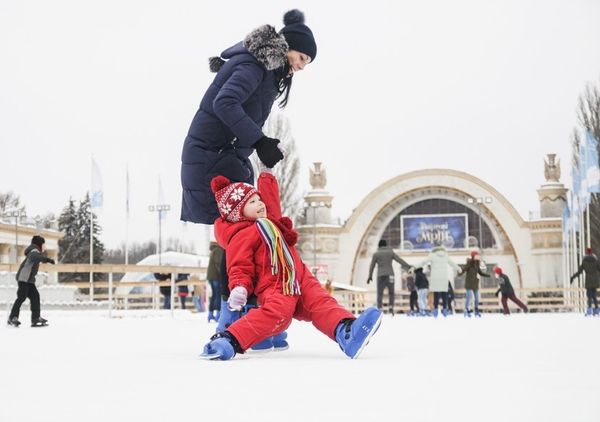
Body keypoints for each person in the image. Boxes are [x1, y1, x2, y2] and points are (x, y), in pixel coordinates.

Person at [201, 171, 383, 360]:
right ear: (237, 213)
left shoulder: (270, 223)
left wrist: (268, 179)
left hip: (300, 277)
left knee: (321, 302)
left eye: (259, 199)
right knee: (278, 314)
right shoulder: (243, 235)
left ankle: (346, 331)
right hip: (275, 284)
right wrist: (239, 287)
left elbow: (272, 204)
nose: (260, 203)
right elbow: (239, 265)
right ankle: (230, 339)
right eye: (252, 202)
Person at [180, 9, 317, 225]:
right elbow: (225, 103)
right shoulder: (254, 66)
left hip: (225, 158)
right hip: (211, 158)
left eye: (306, 63)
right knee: (238, 234)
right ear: (287, 46)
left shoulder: (267, 72)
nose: (301, 66)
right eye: (301, 57)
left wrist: (260, 145)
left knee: (245, 234)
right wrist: (260, 141)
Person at [7, 235, 55, 327]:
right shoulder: (34, 251)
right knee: (21, 297)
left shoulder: (34, 250)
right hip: (23, 279)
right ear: (39, 244)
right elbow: (35, 257)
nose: (44, 246)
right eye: (43, 244)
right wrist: (47, 259)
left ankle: (35, 319)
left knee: (35, 297)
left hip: (29, 280)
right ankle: (12, 318)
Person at [367, 239, 410, 316]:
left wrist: (370, 276)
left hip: (380, 275)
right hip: (390, 275)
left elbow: (372, 266)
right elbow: (399, 260)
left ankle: (380, 308)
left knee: (380, 293)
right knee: (391, 293)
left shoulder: (376, 254)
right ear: (386, 245)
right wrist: (408, 266)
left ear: (379, 245)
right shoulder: (390, 252)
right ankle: (391, 307)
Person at [419, 246, 461, 317]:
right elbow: (452, 263)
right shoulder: (446, 255)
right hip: (444, 278)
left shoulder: (432, 255)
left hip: (435, 278)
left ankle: (435, 310)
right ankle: (445, 310)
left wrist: (415, 267)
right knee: (444, 294)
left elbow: (424, 262)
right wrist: (459, 268)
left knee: (436, 295)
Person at [570, 247, 600, 316]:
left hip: (588, 280)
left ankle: (589, 310)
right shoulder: (596, 261)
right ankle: (597, 310)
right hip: (595, 281)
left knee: (589, 296)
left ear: (586, 252)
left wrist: (573, 277)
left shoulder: (584, 261)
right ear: (592, 252)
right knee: (594, 296)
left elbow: (579, 272)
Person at [462, 251, 490, 317]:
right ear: (473, 256)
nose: (478, 257)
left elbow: (480, 273)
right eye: (477, 255)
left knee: (477, 298)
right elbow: (464, 269)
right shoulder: (469, 263)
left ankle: (476, 310)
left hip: (475, 283)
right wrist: (459, 272)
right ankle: (466, 310)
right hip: (469, 283)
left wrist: (488, 275)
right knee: (469, 297)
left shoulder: (477, 264)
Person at [206, 242, 224, 322]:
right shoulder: (218, 250)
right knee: (218, 295)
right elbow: (219, 264)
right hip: (216, 277)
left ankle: (210, 314)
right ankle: (218, 314)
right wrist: (222, 275)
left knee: (214, 295)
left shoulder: (213, 250)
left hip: (211, 277)